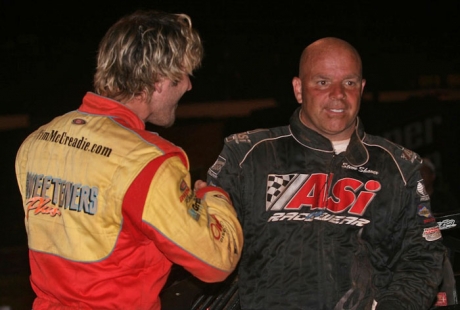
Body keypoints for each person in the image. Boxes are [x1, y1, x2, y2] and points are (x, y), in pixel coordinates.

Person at [15, 10, 243, 310]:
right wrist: (211, 197)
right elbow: (217, 262)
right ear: (160, 79)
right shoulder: (148, 162)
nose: (188, 85)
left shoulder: (37, 142)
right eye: (185, 74)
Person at [207, 37, 449, 309]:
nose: (338, 94)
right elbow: (209, 249)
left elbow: (423, 256)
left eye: (349, 82)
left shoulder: (399, 167)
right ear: (299, 89)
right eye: (322, 82)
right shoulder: (246, 156)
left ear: (362, 87)